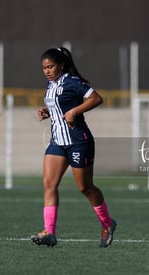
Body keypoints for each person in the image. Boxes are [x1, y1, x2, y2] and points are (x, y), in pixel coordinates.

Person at [30, 47, 116, 248]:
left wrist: (74, 112)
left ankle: (107, 223)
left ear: (60, 65)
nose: (47, 71)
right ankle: (49, 232)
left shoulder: (72, 81)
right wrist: (49, 112)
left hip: (78, 141)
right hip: (57, 143)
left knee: (85, 187)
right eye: (44, 68)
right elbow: (62, 106)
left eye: (50, 67)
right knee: (49, 184)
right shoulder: (51, 85)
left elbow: (96, 98)